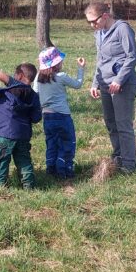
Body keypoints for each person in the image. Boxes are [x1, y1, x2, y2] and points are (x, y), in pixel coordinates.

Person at [85, 1, 136, 174]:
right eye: (89, 22)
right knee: (111, 123)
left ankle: (129, 164)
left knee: (123, 124)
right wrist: (95, 82)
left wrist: (119, 80)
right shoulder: (98, 33)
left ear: (105, 16)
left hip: (122, 85)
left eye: (94, 21)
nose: (92, 25)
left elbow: (132, 57)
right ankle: (118, 157)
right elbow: (101, 60)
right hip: (105, 84)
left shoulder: (123, 29)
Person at [33, 46, 85, 179]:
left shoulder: (38, 77)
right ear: (56, 64)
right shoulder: (61, 76)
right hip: (62, 116)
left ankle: (51, 168)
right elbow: (78, 84)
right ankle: (65, 169)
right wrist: (81, 68)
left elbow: (35, 94)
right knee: (67, 142)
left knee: (51, 142)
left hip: (47, 116)